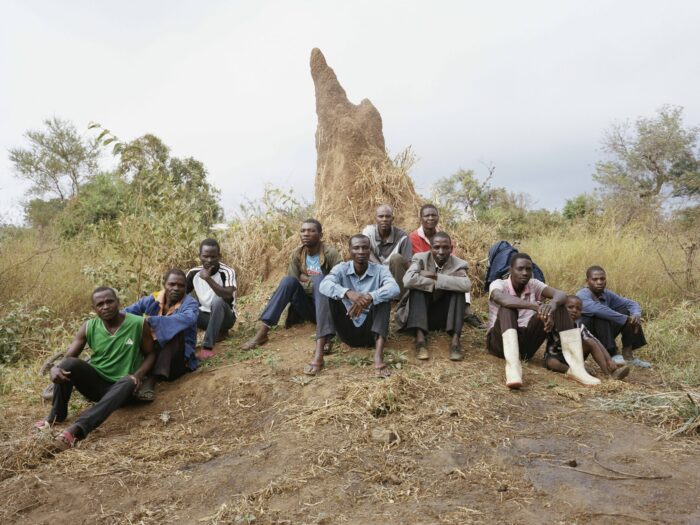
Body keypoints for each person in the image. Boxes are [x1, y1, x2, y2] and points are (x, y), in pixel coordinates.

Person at [33, 287, 155, 451]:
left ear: (118, 302)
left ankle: (77, 430)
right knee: (68, 365)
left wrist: (138, 375)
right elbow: (69, 357)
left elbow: (152, 354)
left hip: (123, 389)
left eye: (109, 301)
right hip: (97, 386)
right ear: (94, 309)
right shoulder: (89, 327)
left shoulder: (138, 323)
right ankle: (56, 415)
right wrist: (55, 368)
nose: (105, 306)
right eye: (100, 304)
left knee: (128, 380)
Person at [487, 253, 600, 388]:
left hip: (525, 346)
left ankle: (576, 368)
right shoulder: (499, 284)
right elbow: (500, 298)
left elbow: (561, 294)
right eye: (520, 269)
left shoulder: (533, 284)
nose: (525, 273)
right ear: (510, 270)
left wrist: (550, 307)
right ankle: (513, 368)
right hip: (499, 343)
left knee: (559, 305)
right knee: (507, 308)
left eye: (528, 269)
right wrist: (535, 306)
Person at [306, 234, 400, 378]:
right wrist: (348, 293)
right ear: (349, 250)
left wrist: (370, 297)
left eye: (365, 248)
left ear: (370, 250)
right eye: (356, 248)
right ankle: (319, 354)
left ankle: (379, 358)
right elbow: (324, 285)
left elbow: (394, 288)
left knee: (383, 300)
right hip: (346, 328)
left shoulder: (380, 270)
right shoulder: (341, 268)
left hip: (371, 333)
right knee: (327, 294)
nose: (361, 251)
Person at [241, 219, 342, 350]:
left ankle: (326, 336)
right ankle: (262, 332)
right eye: (303, 231)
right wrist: (313, 281)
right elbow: (293, 282)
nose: (306, 234)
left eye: (311, 231)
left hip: (328, 308)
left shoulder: (330, 253)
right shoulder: (298, 253)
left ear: (320, 235)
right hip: (309, 307)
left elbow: (340, 280)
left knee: (320, 280)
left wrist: (310, 279)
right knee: (287, 281)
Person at [124, 269, 199, 399]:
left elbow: (188, 318)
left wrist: (150, 320)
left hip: (177, 361)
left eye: (181, 285)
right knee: (134, 330)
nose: (176, 288)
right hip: (152, 353)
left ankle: (152, 379)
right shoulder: (152, 299)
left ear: (186, 287)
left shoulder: (190, 303)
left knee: (175, 332)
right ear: (164, 284)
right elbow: (125, 314)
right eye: (172, 284)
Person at [408, 203, 485, 329]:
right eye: (427, 215)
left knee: (460, 278)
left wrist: (438, 275)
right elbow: (417, 263)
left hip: (439, 272)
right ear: (420, 218)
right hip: (424, 274)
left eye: (434, 215)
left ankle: (466, 313)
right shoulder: (413, 237)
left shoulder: (445, 237)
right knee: (452, 280)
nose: (431, 218)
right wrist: (438, 275)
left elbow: (451, 262)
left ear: (438, 217)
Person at [396, 232, 470, 361]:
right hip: (419, 313)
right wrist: (448, 281)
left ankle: (455, 342)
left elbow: (465, 285)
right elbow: (408, 280)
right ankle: (420, 341)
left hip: (445, 317)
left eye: (445, 247)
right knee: (418, 289)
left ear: (451, 249)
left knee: (458, 292)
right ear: (430, 248)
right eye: (436, 247)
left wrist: (434, 276)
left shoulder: (460, 263)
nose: (441, 252)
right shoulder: (420, 258)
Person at [576, 266, 651, 368]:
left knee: (627, 312)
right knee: (601, 315)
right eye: (595, 279)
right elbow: (597, 310)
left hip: (602, 332)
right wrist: (625, 319)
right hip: (583, 335)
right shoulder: (582, 295)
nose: (599, 282)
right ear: (587, 281)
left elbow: (631, 303)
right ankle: (612, 354)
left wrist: (635, 315)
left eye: (602, 279)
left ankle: (628, 357)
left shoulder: (606, 293)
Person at [545, 295, 630, 380]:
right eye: (570, 307)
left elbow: (597, 342)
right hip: (556, 357)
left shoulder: (580, 327)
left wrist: (609, 360)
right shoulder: (554, 321)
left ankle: (609, 374)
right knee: (552, 362)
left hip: (574, 358)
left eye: (578, 309)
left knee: (591, 342)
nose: (574, 310)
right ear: (562, 309)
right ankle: (576, 371)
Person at [186, 238, 236, 359]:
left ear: (219, 256)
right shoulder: (193, 273)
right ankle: (186, 348)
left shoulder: (227, 272)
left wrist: (208, 279)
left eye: (213, 257)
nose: (209, 260)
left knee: (218, 300)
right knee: (186, 304)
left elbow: (227, 295)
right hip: (204, 318)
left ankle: (207, 348)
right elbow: (180, 295)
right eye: (205, 256)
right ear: (200, 256)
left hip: (226, 318)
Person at [361, 204, 412, 297]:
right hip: (376, 271)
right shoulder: (368, 232)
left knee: (397, 258)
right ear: (375, 218)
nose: (384, 219)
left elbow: (407, 263)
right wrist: (382, 269)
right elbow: (365, 251)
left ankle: (399, 298)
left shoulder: (402, 236)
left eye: (387, 216)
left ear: (393, 218)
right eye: (381, 216)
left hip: (395, 276)